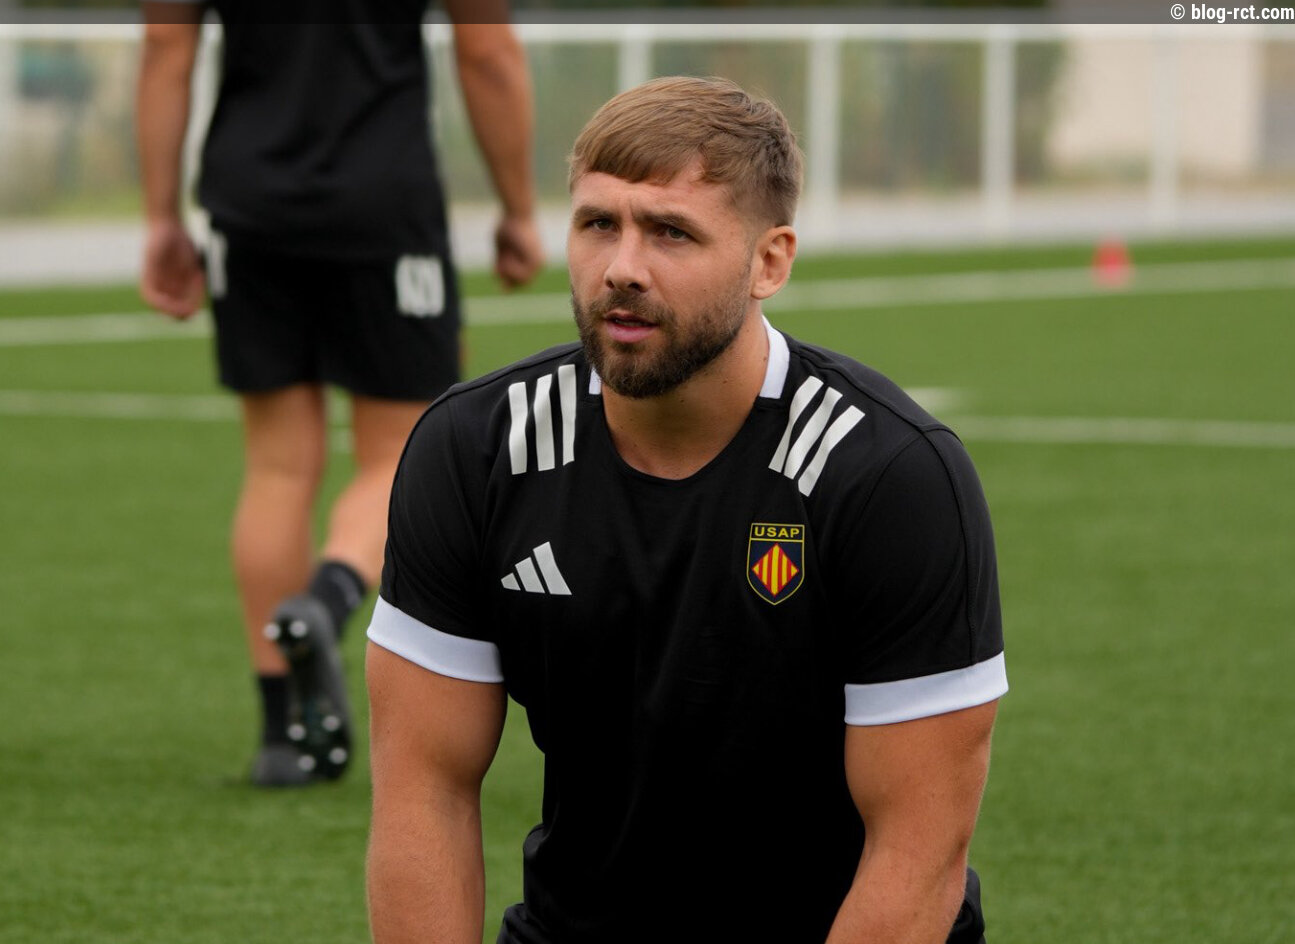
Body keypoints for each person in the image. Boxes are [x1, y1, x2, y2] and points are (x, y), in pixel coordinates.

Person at [365, 76, 1006, 943]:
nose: (621, 269)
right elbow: (425, 791)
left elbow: (918, 851)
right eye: (598, 223)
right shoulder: (476, 448)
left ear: (769, 261)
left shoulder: (887, 473)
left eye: (670, 232)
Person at [136, 0, 544, 787]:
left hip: (249, 205)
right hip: (382, 204)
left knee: (277, 466)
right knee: (402, 452)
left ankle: (284, 735)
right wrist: (518, 208)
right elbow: (488, 51)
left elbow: (164, 43)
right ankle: (324, 602)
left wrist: (160, 216)